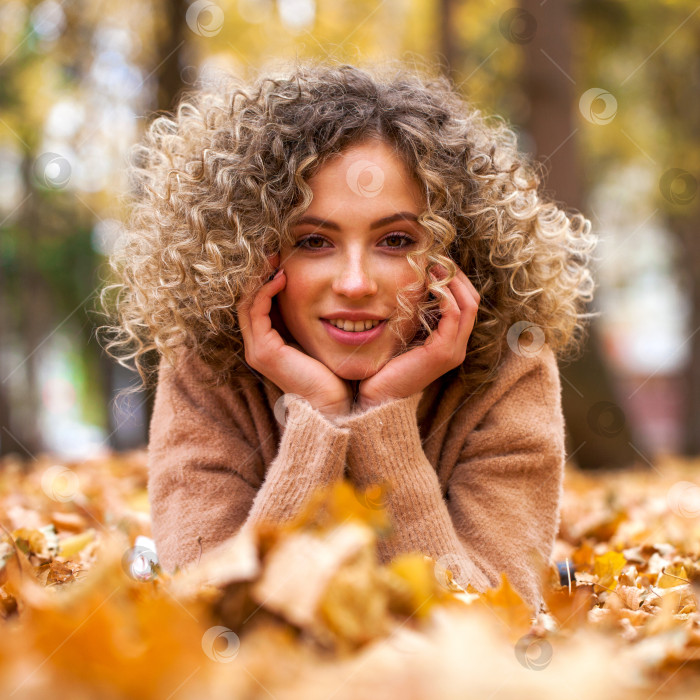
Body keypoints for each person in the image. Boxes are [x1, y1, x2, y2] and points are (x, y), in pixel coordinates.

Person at [98, 58, 597, 612]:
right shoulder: (207, 363)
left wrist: (381, 415)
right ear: (252, 254)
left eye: (397, 241)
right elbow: (216, 619)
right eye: (314, 241)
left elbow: (488, 623)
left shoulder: (509, 367)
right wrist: (320, 413)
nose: (355, 283)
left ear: (453, 253)